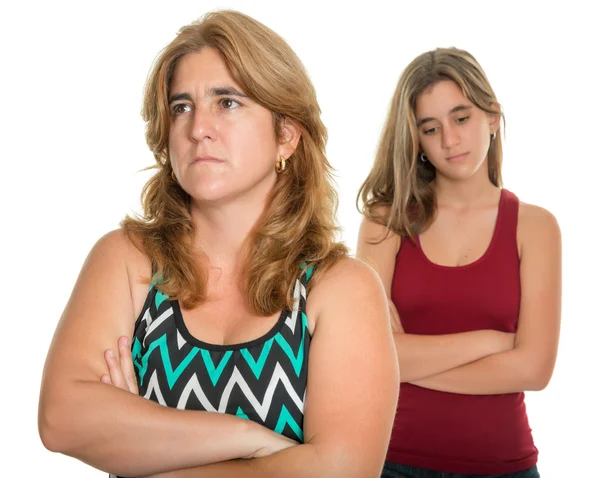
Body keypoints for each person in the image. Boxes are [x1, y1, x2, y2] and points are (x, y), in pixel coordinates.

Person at [39, 10, 399, 478]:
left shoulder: (342, 288)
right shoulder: (126, 260)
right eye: (181, 106)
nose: (197, 128)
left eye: (227, 102)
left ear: (286, 135)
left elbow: (341, 471)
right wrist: (252, 441)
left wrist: (142, 447)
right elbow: (61, 420)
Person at [356, 47, 561, 478]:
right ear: (417, 141)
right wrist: (492, 341)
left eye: (461, 118)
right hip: (392, 461)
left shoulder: (536, 227)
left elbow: (534, 369)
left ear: (492, 116)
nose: (449, 140)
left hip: (504, 465)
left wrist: (406, 363)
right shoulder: (386, 221)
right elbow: (368, 356)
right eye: (431, 128)